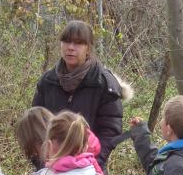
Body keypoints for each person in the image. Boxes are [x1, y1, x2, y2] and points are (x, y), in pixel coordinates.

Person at [31, 20, 133, 167]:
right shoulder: (47, 81)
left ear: (88, 48)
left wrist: (89, 165)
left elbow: (110, 132)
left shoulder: (104, 84)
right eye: (66, 41)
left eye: (78, 43)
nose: (71, 48)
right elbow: (35, 125)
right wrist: (43, 163)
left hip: (88, 172)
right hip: (49, 170)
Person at [15, 106, 126, 175]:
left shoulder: (81, 161)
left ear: (46, 142)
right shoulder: (73, 153)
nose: (38, 155)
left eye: (36, 149)